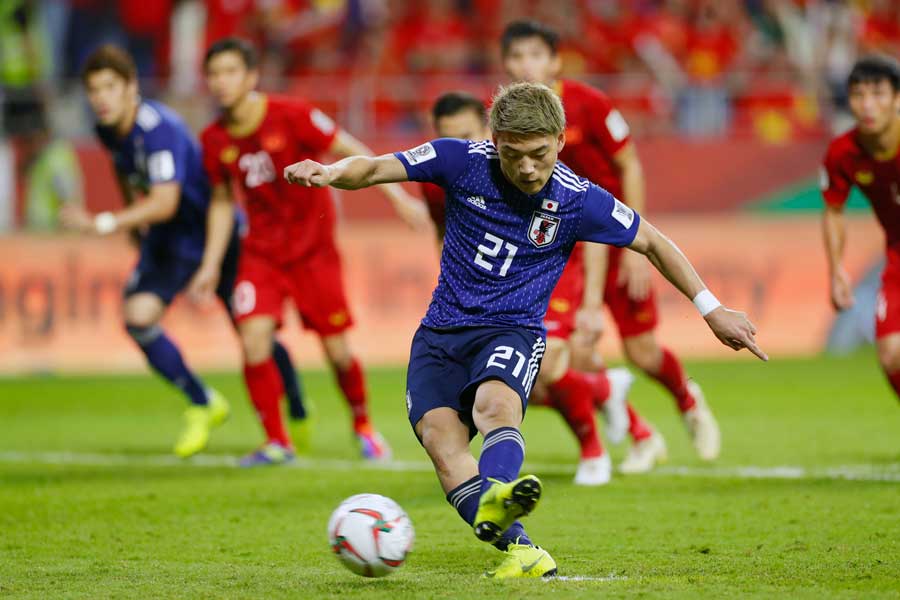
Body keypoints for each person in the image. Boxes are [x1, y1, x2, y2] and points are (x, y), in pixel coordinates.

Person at [283, 81, 766, 578]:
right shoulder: (460, 160)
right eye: (513, 154)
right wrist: (329, 172)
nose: (528, 168)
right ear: (494, 141)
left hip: (512, 330)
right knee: (441, 443)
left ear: (560, 140)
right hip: (440, 334)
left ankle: (498, 493)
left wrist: (712, 309)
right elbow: (377, 167)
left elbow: (654, 242)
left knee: (496, 406)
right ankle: (524, 550)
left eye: (539, 153)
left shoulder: (579, 199)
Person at [61, 44, 305, 459]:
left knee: (252, 332)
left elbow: (165, 201)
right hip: (167, 242)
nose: (100, 98)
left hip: (212, 233)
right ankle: (203, 401)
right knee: (138, 317)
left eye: (109, 87)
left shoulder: (159, 130)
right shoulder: (108, 129)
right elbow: (126, 174)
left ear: (131, 87)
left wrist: (105, 222)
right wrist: (133, 227)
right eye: (93, 90)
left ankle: (297, 406)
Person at [197, 37, 429, 466]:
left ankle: (363, 427)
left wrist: (397, 198)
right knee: (252, 342)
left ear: (251, 77)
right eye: (214, 74)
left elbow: (352, 149)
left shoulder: (293, 115)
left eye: (230, 72)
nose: (221, 82)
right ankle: (276, 441)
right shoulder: (213, 139)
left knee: (337, 350)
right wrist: (211, 264)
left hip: (312, 252)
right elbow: (220, 201)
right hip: (261, 254)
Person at [500, 20, 717, 465]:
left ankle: (687, 402)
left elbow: (629, 164)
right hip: (558, 247)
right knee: (562, 353)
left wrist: (636, 246)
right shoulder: (509, 119)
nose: (527, 65)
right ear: (505, 63)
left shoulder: (588, 103)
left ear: (555, 60)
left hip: (613, 236)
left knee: (642, 351)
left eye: (536, 55)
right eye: (518, 57)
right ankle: (638, 432)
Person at [424, 91, 661, 485]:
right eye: (452, 137)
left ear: (488, 132)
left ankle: (593, 451)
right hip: (496, 288)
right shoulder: (443, 172)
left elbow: (595, 232)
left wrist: (590, 303)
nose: (462, 145)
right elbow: (443, 235)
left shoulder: (537, 163)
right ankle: (606, 392)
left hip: (555, 277)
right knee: (515, 389)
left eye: (468, 134)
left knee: (547, 365)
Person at [822, 55, 900, 402]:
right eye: (858, 95)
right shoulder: (843, 153)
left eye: (878, 94)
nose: (867, 105)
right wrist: (837, 268)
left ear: (897, 98)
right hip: (897, 255)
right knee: (890, 353)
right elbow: (834, 211)